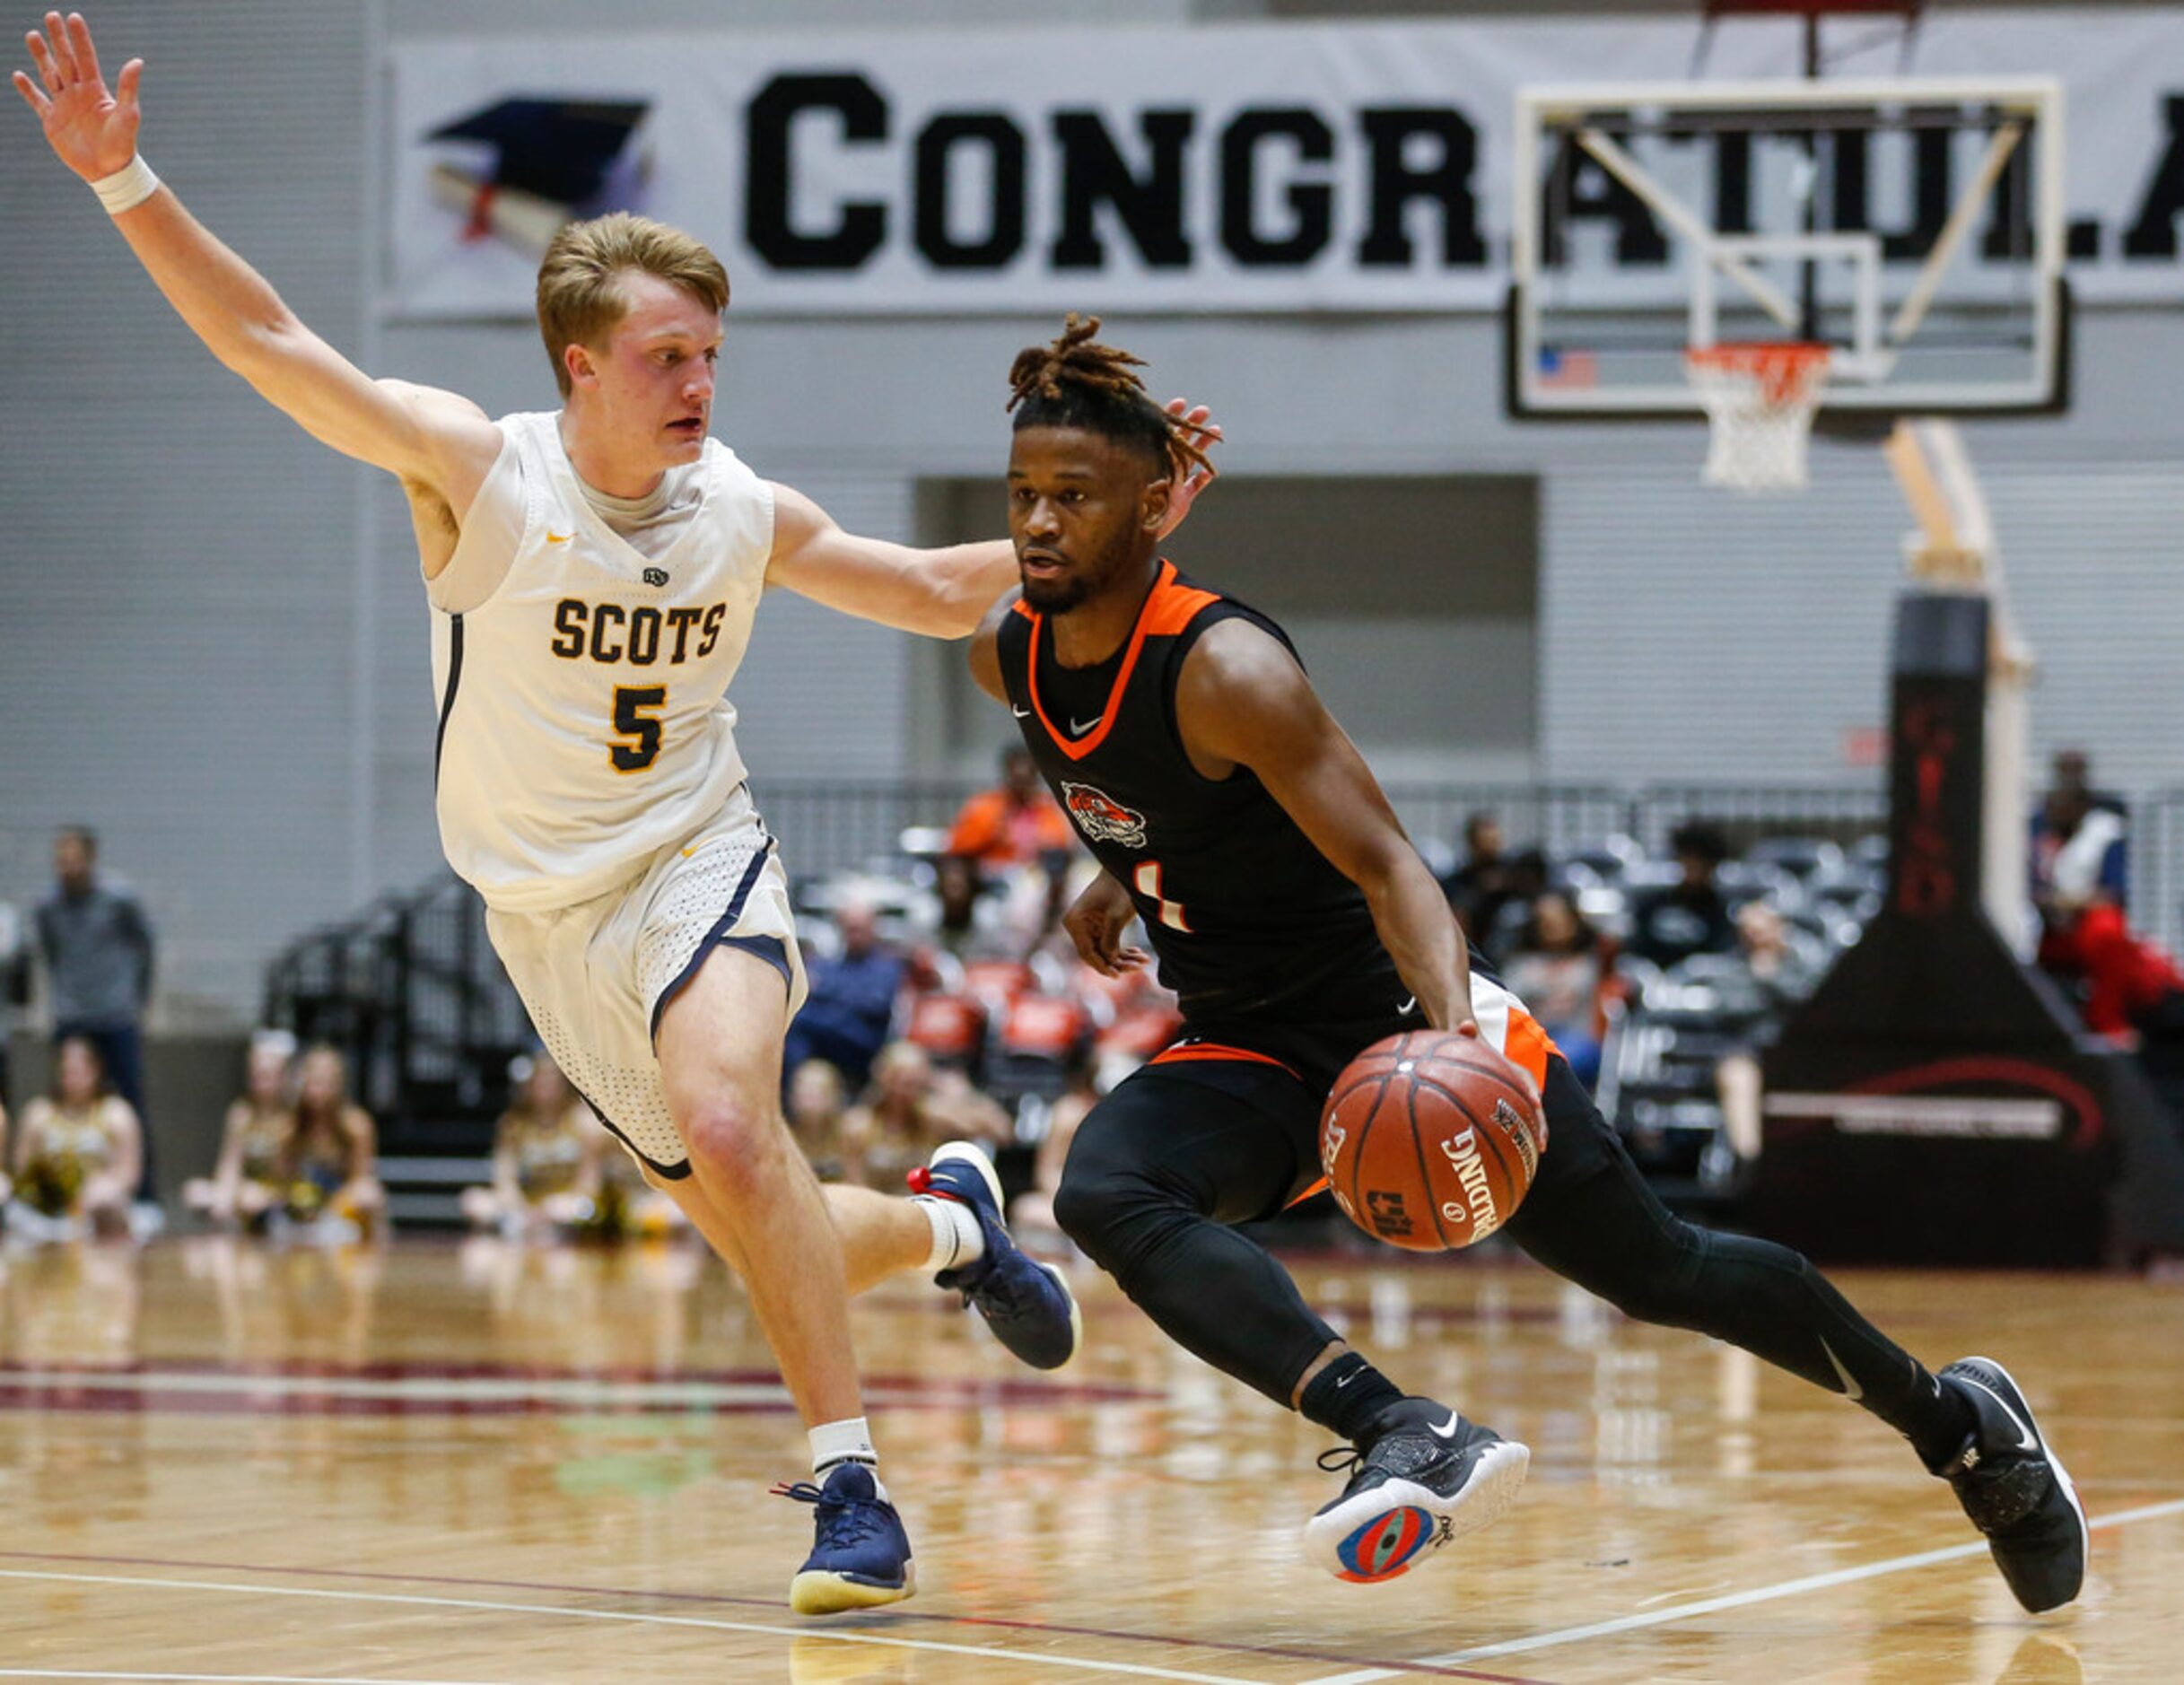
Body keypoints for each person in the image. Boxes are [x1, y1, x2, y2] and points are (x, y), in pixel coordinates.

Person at [13, 14, 1210, 1612]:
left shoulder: (736, 506)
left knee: (732, 1123)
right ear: (579, 364)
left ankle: (848, 1487)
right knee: (757, 1217)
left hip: (696, 861)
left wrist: (1123, 531)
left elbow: (934, 590)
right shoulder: (478, 471)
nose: (699, 382)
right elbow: (274, 345)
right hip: (545, 917)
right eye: (666, 357)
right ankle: (953, 1226)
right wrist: (124, 183)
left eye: (711, 353)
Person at [965, 316, 2085, 1612]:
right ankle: (1402, 1431)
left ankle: (1958, 1426)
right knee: (1110, 1187)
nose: (1038, 523)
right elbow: (1185, 800)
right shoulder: (1010, 648)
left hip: (1395, 1018)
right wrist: (1129, 874)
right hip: (1251, 1042)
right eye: (1021, 496)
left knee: (1659, 1271)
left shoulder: (1228, 666)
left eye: (1071, 496)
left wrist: (1449, 1037)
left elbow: (1389, 864)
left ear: (1154, 509)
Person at [31, 825, 155, 1197]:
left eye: (74, 860)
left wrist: (136, 999)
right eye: (61, 861)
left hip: (115, 1015)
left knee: (131, 1103)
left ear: (90, 859)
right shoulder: (47, 906)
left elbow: (145, 948)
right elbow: (51, 954)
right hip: (72, 1015)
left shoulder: (119, 899)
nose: (67, 869)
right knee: (63, 1102)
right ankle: (54, 1193)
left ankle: (143, 1196)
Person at [460, 1050, 607, 1238]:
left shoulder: (583, 1122)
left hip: (566, 1203)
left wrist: (557, 1204)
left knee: (579, 1209)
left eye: (551, 1079)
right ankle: (520, 1228)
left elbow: (590, 1183)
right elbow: (505, 1179)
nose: (545, 1085)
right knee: (474, 1202)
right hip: (528, 1205)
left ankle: (546, 1228)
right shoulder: (513, 1124)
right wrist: (518, 1205)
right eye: (539, 1079)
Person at [10, 1034, 142, 1239]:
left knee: (109, 1201)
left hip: (96, 1206)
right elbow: (21, 1167)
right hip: (47, 1208)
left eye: (79, 1072)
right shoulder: (39, 1114)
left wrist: (100, 1188)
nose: (73, 1080)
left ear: (96, 1071)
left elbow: (129, 1173)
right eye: (67, 1073)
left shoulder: (116, 1114)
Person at [778, 900, 905, 1094]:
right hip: (831, 1037)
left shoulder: (887, 964)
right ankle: (796, 1094)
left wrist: (828, 995)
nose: (855, 935)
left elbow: (875, 1006)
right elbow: (811, 994)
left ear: (873, 928)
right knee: (797, 1025)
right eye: (850, 929)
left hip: (866, 1040)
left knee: (803, 1020)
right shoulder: (831, 963)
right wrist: (842, 1000)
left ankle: (790, 1097)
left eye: (859, 929)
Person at [184, 1027, 296, 1229]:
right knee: (195, 1192)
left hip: (280, 1194)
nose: (259, 1082)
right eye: (255, 1075)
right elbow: (230, 1163)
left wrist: (262, 1193)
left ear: (283, 1076)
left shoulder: (293, 1117)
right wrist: (225, 1193)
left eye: (266, 1076)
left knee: (250, 1199)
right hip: (246, 1189)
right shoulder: (242, 1112)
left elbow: (289, 1176)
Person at [276, 1043, 387, 1238]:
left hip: (342, 1206)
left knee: (369, 1195)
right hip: (302, 1208)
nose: (318, 1090)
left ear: (338, 1084)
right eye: (313, 1082)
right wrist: (301, 1201)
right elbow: (283, 1179)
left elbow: (360, 1178)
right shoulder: (290, 1129)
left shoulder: (356, 1126)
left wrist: (331, 1206)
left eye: (326, 1082)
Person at [1628, 821, 1738, 971]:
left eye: (1701, 862)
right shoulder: (1653, 904)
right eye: (1688, 858)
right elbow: (1636, 948)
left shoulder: (1720, 912)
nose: (1693, 867)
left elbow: (1720, 956)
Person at [945, 746, 1075, 871]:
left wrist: (1039, 844)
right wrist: (992, 833)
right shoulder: (985, 805)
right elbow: (958, 848)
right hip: (991, 876)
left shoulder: (1047, 807)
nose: (1021, 788)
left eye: (1027, 781)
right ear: (1007, 776)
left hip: (1034, 877)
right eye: (1016, 780)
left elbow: (1060, 845)